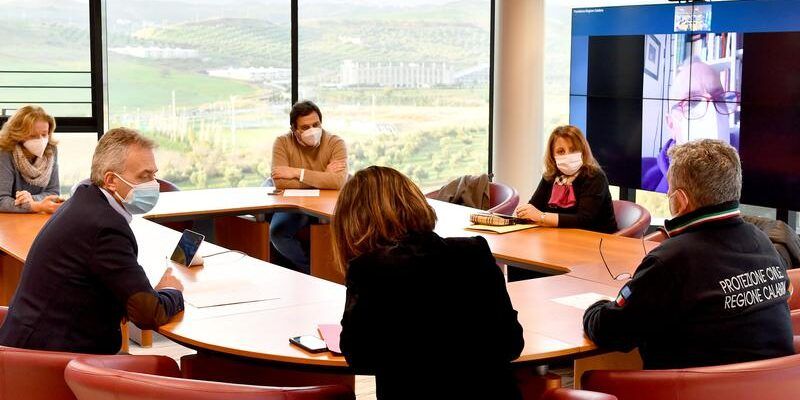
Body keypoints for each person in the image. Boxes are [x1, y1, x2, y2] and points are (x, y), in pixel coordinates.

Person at [584, 139, 794, 370]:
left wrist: (593, 310)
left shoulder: (672, 260)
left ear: (680, 200)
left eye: (669, 192)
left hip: (692, 391)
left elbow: (612, 331)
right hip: (776, 388)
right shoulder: (762, 241)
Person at [333, 166, 524, 400]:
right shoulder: (474, 251)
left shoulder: (369, 269)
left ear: (354, 221)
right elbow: (512, 343)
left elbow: (360, 358)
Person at [0, 127, 185, 354]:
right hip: (51, 359)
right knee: (159, 368)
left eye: (154, 174)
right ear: (111, 180)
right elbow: (148, 314)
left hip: (30, 344)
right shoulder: (104, 226)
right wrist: (171, 290)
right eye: (144, 176)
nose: (153, 184)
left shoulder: (84, 199)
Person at [270, 100, 347, 273]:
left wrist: (296, 172)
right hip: (294, 202)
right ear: (294, 130)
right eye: (305, 127)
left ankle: (325, 273)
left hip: (328, 203)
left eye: (316, 124)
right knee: (278, 234)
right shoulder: (282, 142)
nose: (312, 131)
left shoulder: (336, 143)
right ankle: (312, 272)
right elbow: (281, 182)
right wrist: (323, 176)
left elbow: (337, 182)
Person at [642, 56, 737, 192]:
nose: (711, 111)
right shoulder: (645, 176)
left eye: (719, 98)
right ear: (671, 125)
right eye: (692, 102)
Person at [515, 125, 617, 234]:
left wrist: (541, 216)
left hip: (597, 241)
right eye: (560, 151)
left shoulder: (595, 176)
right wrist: (525, 213)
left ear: (583, 151)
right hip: (559, 237)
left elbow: (584, 220)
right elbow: (534, 207)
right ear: (552, 155)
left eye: (573, 150)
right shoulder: (550, 176)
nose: (567, 155)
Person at [0, 105, 62, 213]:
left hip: (37, 218)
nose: (41, 140)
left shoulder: (51, 150)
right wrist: (36, 206)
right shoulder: (5, 152)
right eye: (33, 136)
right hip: (9, 221)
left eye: (44, 134)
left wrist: (32, 200)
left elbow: (54, 193)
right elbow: (1, 200)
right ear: (18, 134)